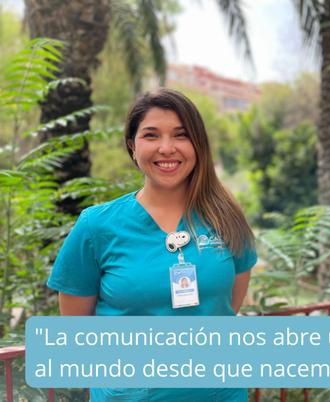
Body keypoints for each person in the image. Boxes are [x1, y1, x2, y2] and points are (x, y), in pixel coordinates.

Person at [47, 88, 257, 402]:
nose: (166, 148)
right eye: (151, 135)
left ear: (198, 145)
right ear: (132, 146)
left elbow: (227, 307)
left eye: (181, 135)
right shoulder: (96, 226)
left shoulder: (226, 217)